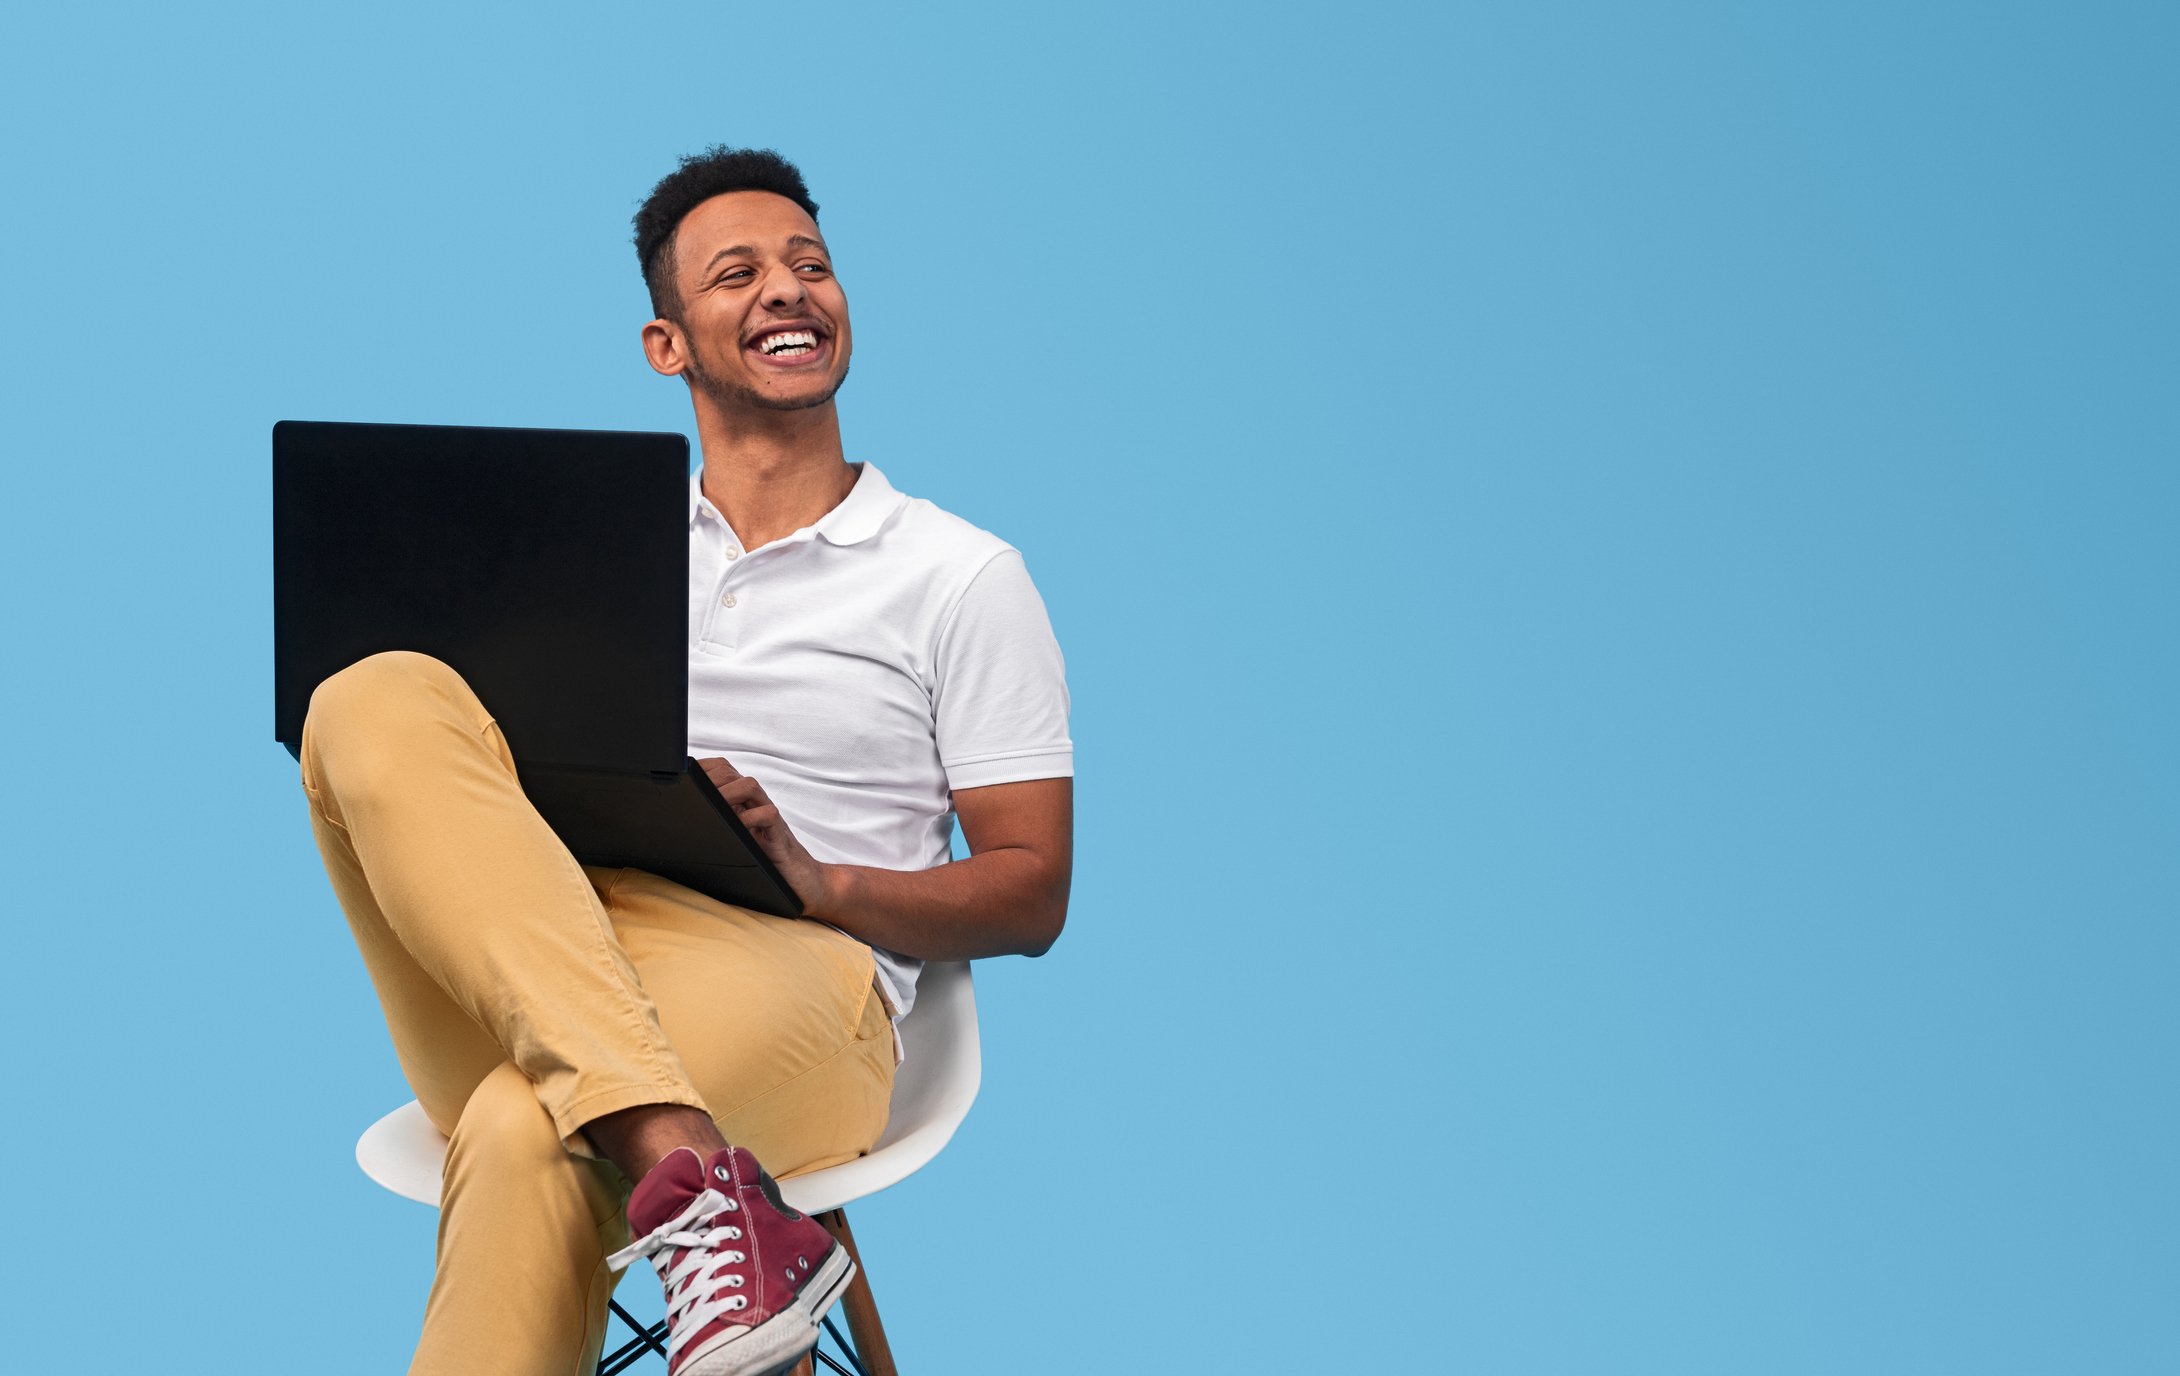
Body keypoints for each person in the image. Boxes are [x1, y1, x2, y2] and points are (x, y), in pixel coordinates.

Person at [298, 146, 1073, 1376]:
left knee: (521, 1121)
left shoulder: (956, 574)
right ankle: (705, 1188)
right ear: (666, 344)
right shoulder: (587, 548)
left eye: (810, 267)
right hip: (555, 944)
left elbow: (1033, 891)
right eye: (739, 273)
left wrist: (830, 882)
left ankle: (676, 1164)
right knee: (364, 692)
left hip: (802, 969)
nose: (787, 290)